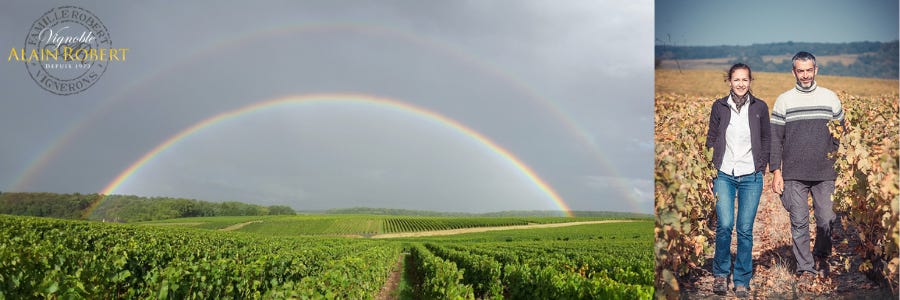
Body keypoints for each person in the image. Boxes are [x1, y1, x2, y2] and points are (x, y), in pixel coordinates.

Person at [770, 51, 844, 285]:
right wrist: (776, 171)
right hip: (793, 173)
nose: (805, 75)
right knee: (799, 222)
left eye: (809, 70)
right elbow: (775, 140)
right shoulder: (784, 100)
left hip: (825, 172)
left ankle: (821, 255)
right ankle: (805, 268)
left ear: (816, 70)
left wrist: (838, 164)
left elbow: (841, 136)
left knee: (826, 218)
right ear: (793, 72)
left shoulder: (830, 98)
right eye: (800, 71)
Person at [705, 63, 770, 298]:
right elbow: (711, 137)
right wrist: (708, 170)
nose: (741, 84)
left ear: (750, 81)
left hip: (751, 175)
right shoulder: (720, 106)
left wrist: (761, 166)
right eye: (736, 79)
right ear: (729, 81)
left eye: (744, 79)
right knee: (724, 225)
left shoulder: (760, 107)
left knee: (744, 229)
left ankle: (742, 280)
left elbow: (766, 138)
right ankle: (721, 274)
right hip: (724, 173)